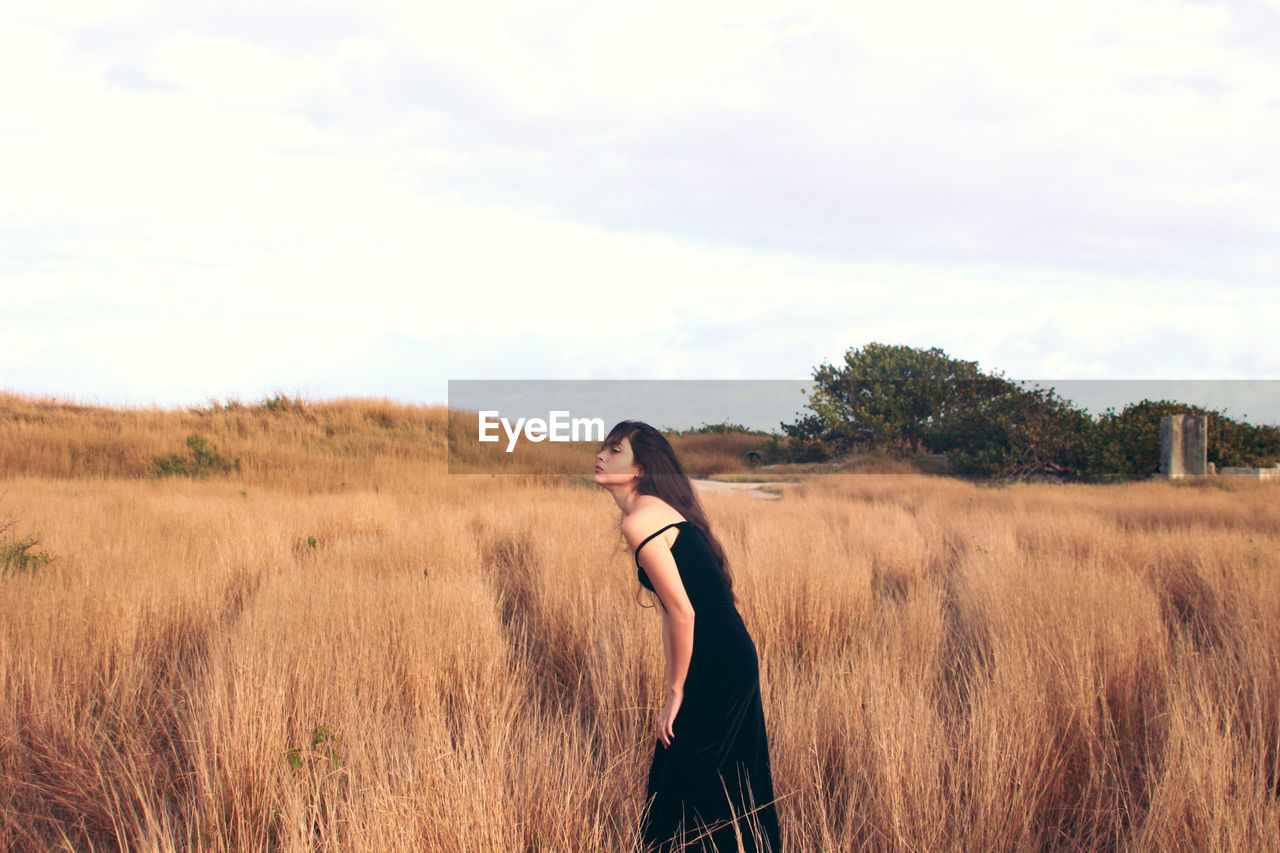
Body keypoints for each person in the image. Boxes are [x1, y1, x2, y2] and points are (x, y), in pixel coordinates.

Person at [594, 420, 782, 853]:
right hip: (726, 653)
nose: (601, 455)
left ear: (640, 467)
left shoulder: (640, 521)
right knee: (725, 774)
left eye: (614, 449)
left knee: (687, 778)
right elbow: (673, 613)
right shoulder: (657, 509)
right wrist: (674, 681)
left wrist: (676, 690)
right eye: (603, 448)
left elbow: (683, 611)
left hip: (717, 662)